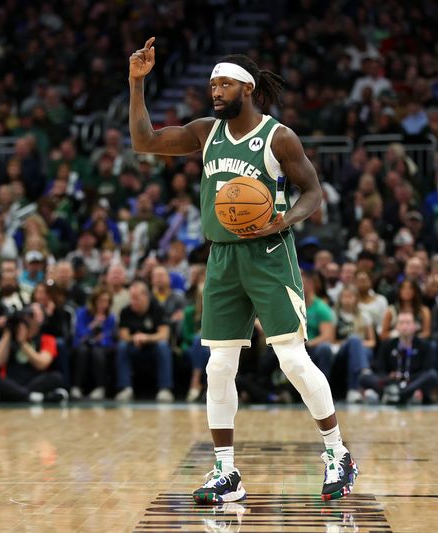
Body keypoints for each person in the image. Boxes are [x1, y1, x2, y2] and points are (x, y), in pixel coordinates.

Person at [128, 38, 357, 504]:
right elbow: (144, 141)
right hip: (222, 257)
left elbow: (312, 191)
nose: (216, 91)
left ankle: (338, 453)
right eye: (212, 84)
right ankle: (226, 473)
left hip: (270, 253)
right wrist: (136, 84)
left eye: (225, 83)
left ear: (247, 89)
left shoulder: (279, 137)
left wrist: (287, 218)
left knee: (291, 359)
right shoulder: (204, 132)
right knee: (218, 366)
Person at [0, 305, 68, 403]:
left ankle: (13, 396)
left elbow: (42, 364)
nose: (29, 319)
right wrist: (8, 332)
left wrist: (23, 343)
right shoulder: (9, 338)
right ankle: (36, 397)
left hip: (35, 381)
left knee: (56, 377)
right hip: (12, 381)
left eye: (34, 315)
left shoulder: (46, 339)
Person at [359, 312, 438, 404]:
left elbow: (427, 370)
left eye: (408, 323)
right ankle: (401, 394)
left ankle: (397, 394)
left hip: (412, 382)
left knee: (433, 375)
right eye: (401, 323)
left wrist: (407, 377)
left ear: (415, 326)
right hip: (390, 383)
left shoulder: (424, 345)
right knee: (364, 377)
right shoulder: (387, 344)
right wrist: (389, 376)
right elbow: (379, 368)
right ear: (396, 327)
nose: (404, 326)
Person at [114, 280, 174, 402]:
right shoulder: (126, 311)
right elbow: (123, 335)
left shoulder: (157, 309)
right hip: (134, 347)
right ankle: (126, 388)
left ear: (146, 296)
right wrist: (135, 338)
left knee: (163, 346)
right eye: (131, 298)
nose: (133, 301)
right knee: (122, 346)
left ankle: (165, 389)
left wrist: (146, 338)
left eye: (136, 298)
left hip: (153, 348)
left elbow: (164, 334)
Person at [71, 288, 117, 400]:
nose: (103, 304)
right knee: (83, 351)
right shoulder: (82, 312)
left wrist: (102, 339)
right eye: (101, 300)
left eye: (106, 301)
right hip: (83, 344)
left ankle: (100, 387)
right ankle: (76, 387)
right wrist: (92, 325)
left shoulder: (110, 317)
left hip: (101, 346)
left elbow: (110, 337)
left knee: (98, 352)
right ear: (94, 301)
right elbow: (79, 332)